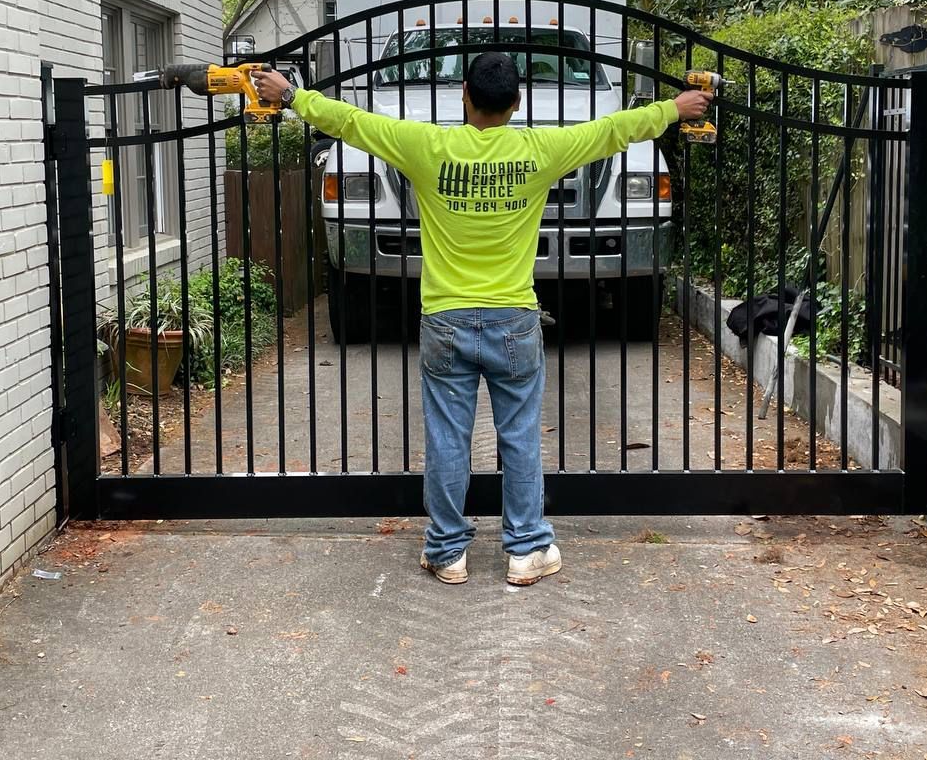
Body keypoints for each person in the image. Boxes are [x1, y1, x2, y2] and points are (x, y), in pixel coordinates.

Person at [251, 55, 712, 586]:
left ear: (464, 94)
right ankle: (526, 549)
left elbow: (349, 122)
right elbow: (614, 130)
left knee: (449, 437)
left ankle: (447, 551)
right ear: (517, 103)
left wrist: (289, 95)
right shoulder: (540, 150)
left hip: (445, 318)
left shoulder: (427, 148)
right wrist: (675, 109)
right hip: (513, 319)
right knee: (518, 435)